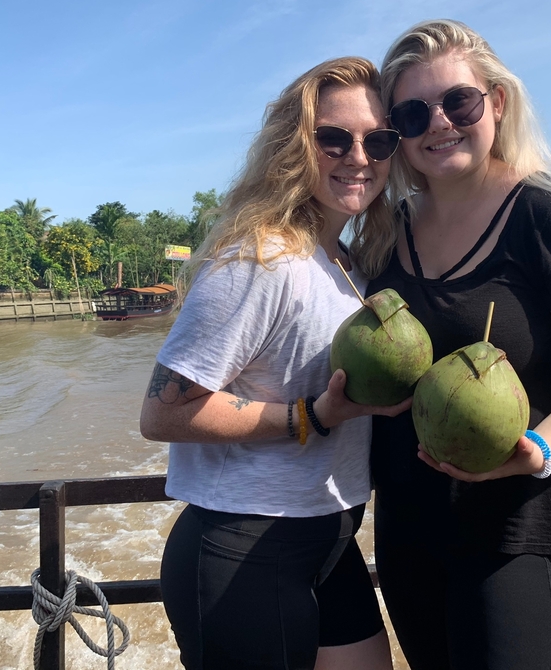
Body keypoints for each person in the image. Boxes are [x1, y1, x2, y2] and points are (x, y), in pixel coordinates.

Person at [368, 20, 551, 670]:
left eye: (456, 101)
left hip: (518, 527)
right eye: (412, 113)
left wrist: (539, 450)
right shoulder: (387, 230)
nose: (438, 123)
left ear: (496, 102)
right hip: (408, 526)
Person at [139, 56, 407, 670]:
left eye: (378, 140)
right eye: (333, 138)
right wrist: (314, 415)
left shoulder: (345, 263)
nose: (358, 156)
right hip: (245, 546)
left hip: (330, 535)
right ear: (296, 147)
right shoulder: (261, 259)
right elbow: (162, 412)